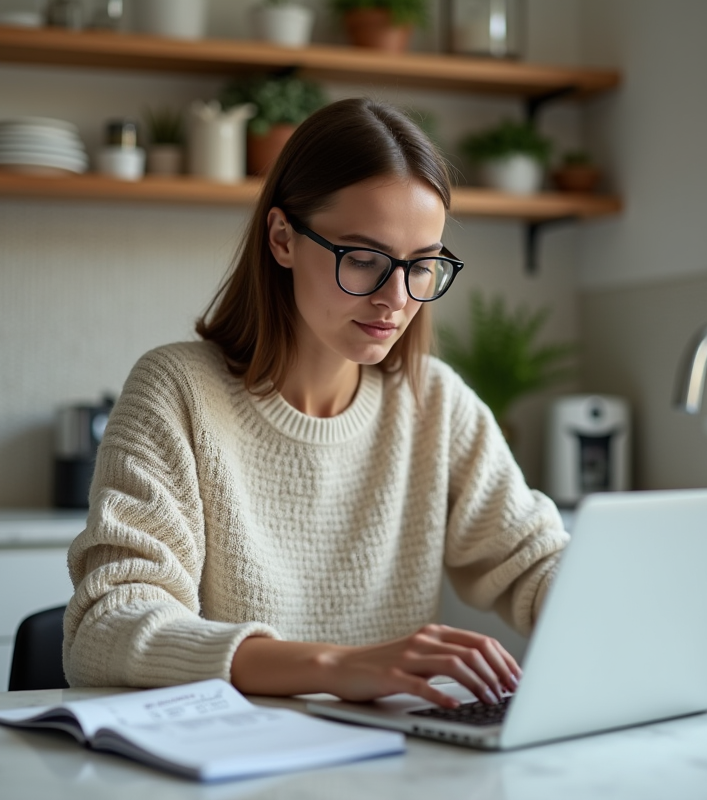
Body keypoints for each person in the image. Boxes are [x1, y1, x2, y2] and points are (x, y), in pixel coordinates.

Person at [63, 98, 569, 710]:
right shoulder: (177, 391)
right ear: (282, 238)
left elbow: (534, 563)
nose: (396, 298)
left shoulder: (435, 402)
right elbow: (107, 626)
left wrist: (621, 607)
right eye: (363, 259)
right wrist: (333, 667)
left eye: (423, 266)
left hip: (396, 767)